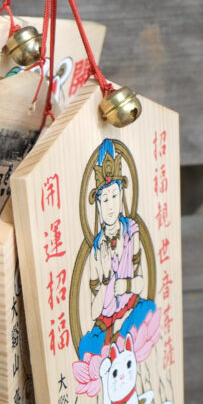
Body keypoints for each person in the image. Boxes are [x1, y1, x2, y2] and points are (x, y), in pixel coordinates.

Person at [77, 139, 156, 360]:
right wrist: (104, 284)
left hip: (131, 309)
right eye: (104, 199)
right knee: (86, 349)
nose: (111, 205)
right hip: (107, 322)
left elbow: (140, 284)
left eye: (114, 195)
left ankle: (122, 346)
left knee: (148, 309)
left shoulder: (131, 231)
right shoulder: (96, 250)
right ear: (98, 206)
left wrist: (125, 285)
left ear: (121, 196)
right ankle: (118, 346)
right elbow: (94, 312)